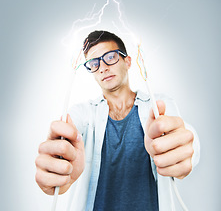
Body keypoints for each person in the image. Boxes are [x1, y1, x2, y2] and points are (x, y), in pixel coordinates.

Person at [35, 30, 200, 211]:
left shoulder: (158, 106)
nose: (103, 67)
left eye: (110, 57)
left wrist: (189, 149)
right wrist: (57, 167)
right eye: (94, 63)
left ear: (127, 61)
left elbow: (182, 134)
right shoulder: (82, 113)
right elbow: (68, 134)